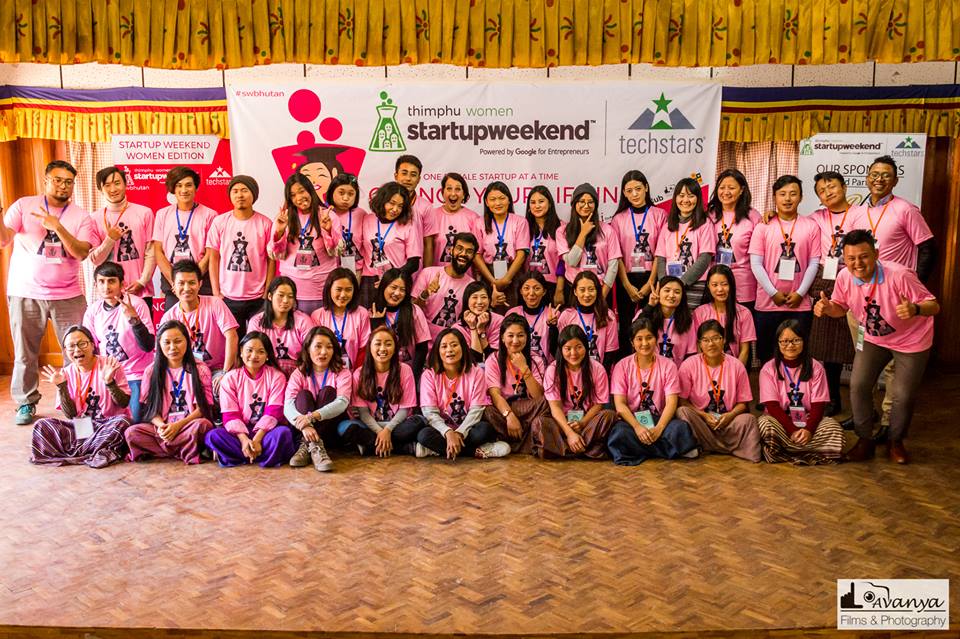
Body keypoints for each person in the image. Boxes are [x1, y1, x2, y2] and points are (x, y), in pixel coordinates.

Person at [814, 229, 940, 464]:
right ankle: (865, 440)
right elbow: (841, 307)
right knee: (859, 385)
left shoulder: (900, 275)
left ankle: (895, 441)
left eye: (864, 256)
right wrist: (829, 308)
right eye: (851, 258)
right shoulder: (844, 276)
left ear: (876, 254)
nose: (858, 264)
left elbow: (933, 305)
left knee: (902, 395)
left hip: (911, 341)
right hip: (874, 338)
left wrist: (915, 309)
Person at [0, 160, 93, 425]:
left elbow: (82, 252)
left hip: (68, 295)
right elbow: (3, 240)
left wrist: (58, 227)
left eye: (68, 182)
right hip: (25, 292)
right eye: (58, 180)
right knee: (24, 353)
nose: (63, 186)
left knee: (78, 350)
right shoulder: (23, 206)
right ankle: (26, 402)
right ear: (46, 180)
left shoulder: (81, 216)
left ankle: (76, 401)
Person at [849, 155, 937, 434]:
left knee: (893, 371)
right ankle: (868, 415)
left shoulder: (905, 210)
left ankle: (889, 423)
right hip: (863, 300)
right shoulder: (858, 212)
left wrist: (914, 290)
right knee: (864, 367)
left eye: (886, 175)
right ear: (867, 178)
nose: (879, 179)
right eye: (874, 174)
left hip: (895, 301)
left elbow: (928, 248)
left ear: (895, 180)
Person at [30, 326, 130, 468]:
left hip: (106, 425)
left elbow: (124, 403)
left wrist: (110, 382)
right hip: (81, 426)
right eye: (71, 346)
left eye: (82, 344)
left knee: (123, 422)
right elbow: (70, 415)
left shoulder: (110, 364)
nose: (77, 350)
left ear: (93, 345)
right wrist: (62, 386)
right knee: (41, 425)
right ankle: (94, 452)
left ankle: (76, 453)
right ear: (65, 351)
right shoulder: (65, 373)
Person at [606, 317, 699, 465]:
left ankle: (639, 450)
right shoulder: (622, 366)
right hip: (633, 421)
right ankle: (668, 450)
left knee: (680, 428)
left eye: (649, 338)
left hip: (660, 419)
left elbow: (671, 403)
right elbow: (620, 405)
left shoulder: (668, 365)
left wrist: (659, 428)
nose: (644, 343)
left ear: (656, 339)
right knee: (619, 433)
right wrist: (637, 427)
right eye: (639, 339)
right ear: (632, 342)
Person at [749, 175, 820, 363]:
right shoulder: (763, 226)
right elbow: (756, 264)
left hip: (800, 304)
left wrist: (800, 293)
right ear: (774, 197)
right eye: (782, 194)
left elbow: (813, 263)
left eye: (793, 194)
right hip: (767, 303)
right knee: (767, 357)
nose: (787, 198)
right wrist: (773, 293)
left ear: (801, 197)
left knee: (798, 357)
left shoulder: (811, 226)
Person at [124, 320, 215, 464]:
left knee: (203, 425)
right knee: (131, 433)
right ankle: (182, 448)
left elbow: (202, 409)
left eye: (178, 341)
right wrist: (162, 426)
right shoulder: (151, 371)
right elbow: (151, 410)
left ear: (188, 342)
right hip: (163, 429)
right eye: (167, 342)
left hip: (188, 425)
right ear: (159, 345)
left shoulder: (200, 369)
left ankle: (163, 450)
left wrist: (177, 426)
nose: (173, 347)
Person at [757, 320, 844, 464]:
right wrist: (792, 430)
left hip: (808, 420)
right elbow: (772, 406)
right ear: (778, 343)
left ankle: (786, 451)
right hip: (780, 422)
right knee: (765, 425)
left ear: (804, 341)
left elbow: (818, 405)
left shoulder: (816, 368)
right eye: (784, 341)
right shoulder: (768, 369)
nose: (790, 345)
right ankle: (808, 450)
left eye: (796, 340)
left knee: (834, 428)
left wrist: (809, 430)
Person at [205, 331, 294, 467]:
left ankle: (242, 455)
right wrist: (244, 440)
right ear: (241, 351)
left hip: (266, 433)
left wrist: (257, 439)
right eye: (249, 350)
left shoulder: (277, 377)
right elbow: (230, 415)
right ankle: (258, 454)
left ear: (268, 355)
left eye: (261, 352)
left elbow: (274, 412)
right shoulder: (230, 378)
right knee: (213, 436)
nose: (254, 356)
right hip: (239, 433)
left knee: (283, 433)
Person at [807, 171, 857, 415]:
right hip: (824, 279)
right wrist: (772, 216)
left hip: (853, 278)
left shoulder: (861, 214)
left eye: (832, 187)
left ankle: (863, 408)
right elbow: (791, 224)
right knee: (827, 346)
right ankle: (832, 399)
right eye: (822, 191)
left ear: (844, 187)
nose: (827, 193)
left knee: (857, 343)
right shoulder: (815, 218)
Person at [82, 261, 156, 424]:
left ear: (122, 284)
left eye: (111, 281)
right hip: (108, 374)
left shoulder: (137, 304)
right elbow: (90, 348)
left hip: (135, 373)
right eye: (101, 282)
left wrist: (134, 319)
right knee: (98, 417)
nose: (106, 287)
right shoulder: (93, 311)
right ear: (95, 285)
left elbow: (148, 346)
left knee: (134, 420)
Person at [677, 320, 761, 462]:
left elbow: (743, 403)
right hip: (702, 423)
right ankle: (729, 448)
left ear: (724, 340)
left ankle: (708, 446)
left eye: (716, 338)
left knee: (749, 420)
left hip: (728, 422)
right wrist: (703, 415)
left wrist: (729, 415)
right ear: (699, 344)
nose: (711, 344)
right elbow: (682, 401)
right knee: (682, 412)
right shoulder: (689, 365)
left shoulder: (737, 366)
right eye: (705, 340)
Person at [416, 328, 507, 459]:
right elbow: (430, 413)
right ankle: (475, 451)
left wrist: (459, 433)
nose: (449, 350)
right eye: (444, 346)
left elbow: (476, 410)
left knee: (485, 430)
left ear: (463, 348)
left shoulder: (476, 372)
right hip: (441, 430)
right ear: (437, 351)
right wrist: (448, 432)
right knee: (424, 435)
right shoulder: (429, 375)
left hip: (467, 429)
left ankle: (437, 450)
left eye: (454, 345)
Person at [337, 326, 426, 457]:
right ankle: (405, 448)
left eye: (388, 344)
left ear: (395, 348)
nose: (383, 348)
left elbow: (404, 410)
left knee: (418, 423)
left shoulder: (405, 370)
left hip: (397, 425)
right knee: (344, 428)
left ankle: (370, 447)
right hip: (371, 425)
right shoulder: (359, 374)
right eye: (378, 344)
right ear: (370, 347)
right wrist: (380, 432)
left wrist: (388, 430)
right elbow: (363, 413)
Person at [206, 175, 279, 335]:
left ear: (253, 194)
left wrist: (266, 291)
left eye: (244, 190)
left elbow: (271, 260)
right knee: (232, 341)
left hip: (258, 298)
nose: (240, 195)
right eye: (235, 191)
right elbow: (214, 258)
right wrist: (216, 292)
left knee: (257, 341)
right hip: (228, 297)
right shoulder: (219, 222)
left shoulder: (266, 224)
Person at [532, 325, 617, 459]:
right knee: (539, 423)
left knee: (609, 416)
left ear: (586, 347)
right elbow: (555, 407)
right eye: (568, 348)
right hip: (562, 422)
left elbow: (598, 404)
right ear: (561, 349)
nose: (573, 353)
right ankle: (587, 449)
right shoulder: (553, 370)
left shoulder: (597, 369)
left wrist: (582, 423)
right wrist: (569, 433)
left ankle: (564, 449)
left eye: (578, 347)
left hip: (588, 421)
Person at [159, 259, 238, 392]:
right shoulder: (169, 317)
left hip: (217, 368)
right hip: (188, 370)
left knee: (223, 387)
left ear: (200, 284)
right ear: (173, 286)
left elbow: (232, 336)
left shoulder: (215, 304)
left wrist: (225, 373)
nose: (186, 288)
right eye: (181, 283)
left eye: (191, 283)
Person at [269, 173, 341, 316]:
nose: (299, 197)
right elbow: (276, 255)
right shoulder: (284, 218)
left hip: (322, 286)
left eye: (301, 191)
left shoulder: (328, 216)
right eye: (293, 195)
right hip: (291, 288)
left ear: (310, 189)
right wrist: (279, 232)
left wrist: (328, 230)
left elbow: (336, 251)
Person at [610, 170, 666, 354]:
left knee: (650, 322)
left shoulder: (660, 215)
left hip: (651, 277)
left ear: (646, 188)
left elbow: (660, 252)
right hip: (626, 278)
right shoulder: (618, 219)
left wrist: (650, 283)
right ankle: (627, 362)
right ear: (624, 193)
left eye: (638, 189)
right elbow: (616, 255)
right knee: (627, 323)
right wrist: (626, 285)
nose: (634, 194)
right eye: (629, 190)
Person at [285, 326, 353, 471]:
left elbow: (342, 402)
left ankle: (308, 445)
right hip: (303, 430)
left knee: (328, 392)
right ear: (308, 348)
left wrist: (311, 417)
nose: (323, 352)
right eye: (318, 346)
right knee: (303, 395)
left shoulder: (342, 372)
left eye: (329, 347)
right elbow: (288, 405)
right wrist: (306, 426)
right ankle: (314, 446)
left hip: (330, 429)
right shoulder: (299, 373)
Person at [88, 166, 157, 308]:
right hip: (109, 294)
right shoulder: (94, 218)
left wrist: (142, 281)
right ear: (100, 189)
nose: (113, 189)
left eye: (117, 183)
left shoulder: (144, 213)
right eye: (107, 185)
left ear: (125, 184)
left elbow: (151, 252)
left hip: (140, 291)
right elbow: (96, 260)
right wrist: (109, 240)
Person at [153, 166, 218, 311]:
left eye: (189, 185)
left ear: (196, 188)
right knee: (173, 322)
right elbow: (158, 251)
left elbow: (210, 253)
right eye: (179, 185)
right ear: (173, 189)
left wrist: (193, 278)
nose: (184, 190)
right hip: (171, 281)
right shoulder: (162, 214)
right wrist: (175, 281)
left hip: (201, 280)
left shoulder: (210, 215)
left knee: (202, 321)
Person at [483, 314, 549, 454]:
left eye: (520, 335)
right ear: (502, 337)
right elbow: (495, 395)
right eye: (510, 335)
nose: (515, 341)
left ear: (527, 337)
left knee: (547, 402)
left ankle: (510, 444)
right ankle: (528, 442)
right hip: (504, 409)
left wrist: (524, 368)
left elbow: (538, 396)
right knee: (486, 410)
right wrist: (509, 416)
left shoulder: (536, 359)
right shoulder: (493, 360)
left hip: (528, 409)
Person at [652, 178, 715, 307]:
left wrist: (682, 283)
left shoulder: (705, 224)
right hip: (669, 288)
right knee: (670, 318)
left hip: (694, 285)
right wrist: (665, 284)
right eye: (681, 196)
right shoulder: (667, 226)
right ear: (675, 198)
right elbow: (661, 259)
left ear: (698, 199)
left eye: (691, 196)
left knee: (691, 318)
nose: (685, 200)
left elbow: (705, 258)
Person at [358, 181, 422, 306]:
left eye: (400, 206)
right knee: (370, 316)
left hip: (396, 281)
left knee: (395, 317)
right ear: (382, 200)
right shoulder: (367, 219)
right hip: (370, 279)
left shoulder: (408, 224)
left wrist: (392, 278)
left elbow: (414, 262)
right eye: (392, 203)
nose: (395, 209)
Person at [706, 169, 760, 310]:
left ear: (741, 190)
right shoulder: (709, 215)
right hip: (716, 284)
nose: (726, 192)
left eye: (731, 188)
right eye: (722, 187)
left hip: (743, 285)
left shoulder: (753, 216)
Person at [558, 183, 622, 300]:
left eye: (590, 202)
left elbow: (613, 265)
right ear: (574, 203)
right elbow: (572, 261)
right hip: (574, 290)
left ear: (595, 205)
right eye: (581, 201)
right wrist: (583, 233)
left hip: (600, 290)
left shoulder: (608, 230)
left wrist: (602, 296)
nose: (586, 206)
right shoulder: (562, 231)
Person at [473, 181, 530, 309]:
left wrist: (506, 279)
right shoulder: (479, 223)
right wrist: (493, 281)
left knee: (514, 313)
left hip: (513, 273)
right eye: (493, 199)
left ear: (509, 200)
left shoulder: (520, 222)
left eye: (502, 198)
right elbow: (476, 255)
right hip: (488, 273)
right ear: (486, 202)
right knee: (490, 313)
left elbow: (521, 254)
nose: (498, 203)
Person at [413, 232, 478, 338]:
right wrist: (425, 294)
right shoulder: (428, 273)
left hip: (453, 343)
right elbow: (411, 310)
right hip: (424, 340)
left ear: (474, 256)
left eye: (469, 251)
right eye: (459, 248)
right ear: (451, 250)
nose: (463, 254)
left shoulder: (473, 287)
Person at [369, 269, 431, 378]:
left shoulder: (414, 311)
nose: (397, 293)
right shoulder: (372, 312)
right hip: (380, 372)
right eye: (393, 287)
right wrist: (376, 323)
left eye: (402, 289)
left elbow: (422, 348)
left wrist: (413, 376)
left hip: (408, 372)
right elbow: (370, 348)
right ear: (383, 286)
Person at [248, 276, 315, 377]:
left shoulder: (303, 321)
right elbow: (253, 354)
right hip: (266, 372)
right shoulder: (256, 322)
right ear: (270, 296)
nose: (285, 300)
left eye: (290, 296)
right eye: (281, 295)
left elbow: (312, 351)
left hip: (298, 372)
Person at [692, 265, 756, 368]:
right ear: (708, 285)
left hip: (735, 368)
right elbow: (698, 347)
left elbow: (745, 350)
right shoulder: (699, 312)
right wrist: (705, 371)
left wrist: (735, 372)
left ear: (731, 285)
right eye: (715, 285)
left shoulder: (744, 313)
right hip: (707, 369)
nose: (720, 289)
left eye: (724, 284)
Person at [310, 268, 371, 369]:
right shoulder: (317, 316)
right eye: (338, 289)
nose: (343, 295)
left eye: (348, 290)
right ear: (329, 289)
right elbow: (315, 350)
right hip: (325, 372)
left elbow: (363, 349)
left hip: (354, 371)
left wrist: (357, 374)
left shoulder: (362, 314)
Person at [557, 271, 619, 368]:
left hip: (600, 371)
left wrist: (600, 373)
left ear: (597, 291)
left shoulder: (608, 316)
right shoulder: (566, 316)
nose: (587, 294)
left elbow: (610, 353)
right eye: (582, 290)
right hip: (573, 371)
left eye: (591, 289)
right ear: (575, 291)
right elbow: (561, 350)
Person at [641, 276, 696, 369]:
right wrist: (650, 305)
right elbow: (634, 332)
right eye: (667, 290)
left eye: (677, 292)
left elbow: (691, 353)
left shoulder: (688, 320)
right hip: (649, 371)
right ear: (658, 292)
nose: (671, 295)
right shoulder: (645, 313)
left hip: (678, 372)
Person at [524, 185, 566, 306]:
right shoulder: (524, 227)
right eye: (533, 202)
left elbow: (563, 261)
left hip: (553, 285)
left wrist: (559, 289)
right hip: (529, 288)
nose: (537, 206)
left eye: (541, 201)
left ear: (550, 204)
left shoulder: (562, 228)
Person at [507, 271, 560, 365]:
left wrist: (553, 327)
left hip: (546, 368)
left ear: (544, 291)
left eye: (537, 288)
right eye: (526, 288)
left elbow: (558, 349)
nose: (531, 293)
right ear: (521, 291)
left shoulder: (554, 314)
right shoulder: (512, 313)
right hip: (518, 366)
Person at [394, 155, 436, 266]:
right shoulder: (385, 203)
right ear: (396, 176)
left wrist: (427, 273)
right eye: (404, 173)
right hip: (387, 268)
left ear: (418, 179)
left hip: (414, 270)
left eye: (413, 175)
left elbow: (428, 244)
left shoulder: (426, 207)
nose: (408, 178)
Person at [433, 172, 482, 265]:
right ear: (442, 193)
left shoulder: (474, 218)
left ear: (464, 194)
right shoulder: (432, 216)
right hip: (438, 273)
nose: (453, 193)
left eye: (458, 189)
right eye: (449, 189)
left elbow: (477, 253)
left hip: (466, 273)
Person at [328, 173, 367, 277]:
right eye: (341, 193)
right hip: (328, 270)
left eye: (351, 194)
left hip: (355, 270)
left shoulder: (361, 214)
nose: (345, 198)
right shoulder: (324, 214)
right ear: (331, 192)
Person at [456, 281, 504, 363]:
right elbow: (476, 360)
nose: (479, 302)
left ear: (489, 300)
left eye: (483, 297)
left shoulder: (499, 321)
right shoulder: (458, 328)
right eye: (475, 297)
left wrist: (482, 331)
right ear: (467, 301)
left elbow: (495, 359)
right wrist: (473, 328)